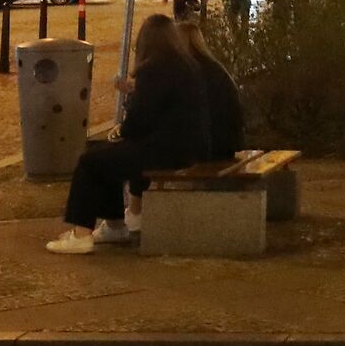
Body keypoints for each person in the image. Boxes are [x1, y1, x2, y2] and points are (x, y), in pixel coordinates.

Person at [49, 15, 244, 252]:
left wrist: (123, 127)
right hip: (188, 147)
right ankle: (115, 226)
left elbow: (138, 122)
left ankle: (82, 233)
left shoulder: (154, 68)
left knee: (89, 161)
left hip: (169, 151)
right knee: (104, 156)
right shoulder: (185, 65)